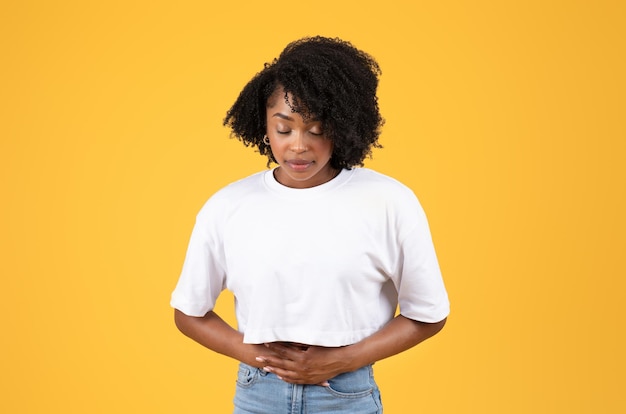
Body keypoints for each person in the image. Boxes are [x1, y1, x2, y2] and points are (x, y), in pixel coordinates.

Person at [171, 36, 449, 414]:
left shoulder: (389, 202)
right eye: (284, 129)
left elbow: (428, 314)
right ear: (263, 126)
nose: (298, 146)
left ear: (344, 126)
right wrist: (259, 357)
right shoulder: (228, 205)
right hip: (258, 394)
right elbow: (188, 312)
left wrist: (344, 360)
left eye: (316, 130)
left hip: (346, 395)